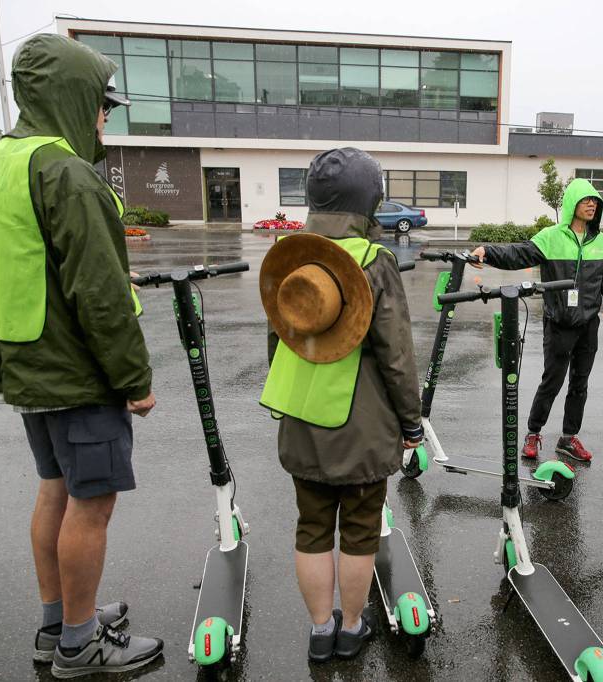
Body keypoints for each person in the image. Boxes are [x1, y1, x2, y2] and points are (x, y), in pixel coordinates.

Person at [0, 34, 162, 677]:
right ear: (75, 98)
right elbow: (100, 294)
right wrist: (135, 380)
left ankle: (58, 623)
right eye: (103, 105)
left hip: (23, 364)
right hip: (76, 372)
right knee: (92, 504)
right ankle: (80, 644)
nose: (105, 118)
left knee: (55, 489)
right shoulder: (67, 174)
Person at [259, 147, 423, 662]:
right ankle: (351, 628)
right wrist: (412, 423)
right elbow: (395, 355)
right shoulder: (375, 262)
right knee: (358, 529)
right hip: (363, 427)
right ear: (368, 199)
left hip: (303, 418)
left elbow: (278, 341)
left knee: (311, 527)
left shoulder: (292, 256)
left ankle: (318, 629)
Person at [470, 178, 603, 462]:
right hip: (559, 323)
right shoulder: (551, 236)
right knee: (552, 382)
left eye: (595, 201)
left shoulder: (600, 241)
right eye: (585, 200)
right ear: (572, 204)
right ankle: (533, 433)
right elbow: (518, 254)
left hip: (588, 325)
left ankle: (569, 438)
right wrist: (488, 251)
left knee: (580, 384)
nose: (592, 204)